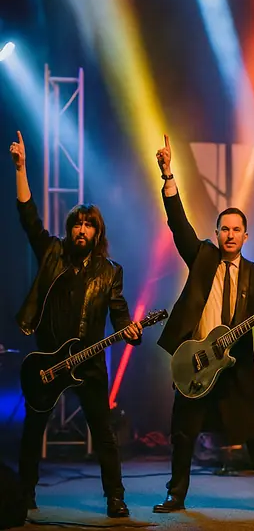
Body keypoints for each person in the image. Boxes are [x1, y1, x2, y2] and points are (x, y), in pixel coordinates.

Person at [151, 135, 254, 516]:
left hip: (235, 368)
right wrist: (168, 176)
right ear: (216, 233)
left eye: (236, 230)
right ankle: (175, 495)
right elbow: (178, 224)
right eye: (223, 229)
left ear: (246, 236)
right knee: (183, 434)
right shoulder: (202, 257)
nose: (229, 235)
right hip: (196, 359)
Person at [11, 130, 142, 517]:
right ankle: (24, 494)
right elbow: (29, 218)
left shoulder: (110, 271)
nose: (81, 230)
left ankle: (115, 497)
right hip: (48, 359)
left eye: (88, 225)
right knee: (33, 431)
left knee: (104, 434)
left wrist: (130, 330)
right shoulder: (52, 253)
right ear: (69, 229)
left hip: (89, 363)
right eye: (76, 224)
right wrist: (21, 169)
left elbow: (119, 312)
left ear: (98, 232)